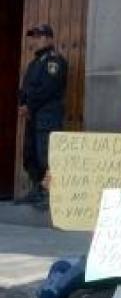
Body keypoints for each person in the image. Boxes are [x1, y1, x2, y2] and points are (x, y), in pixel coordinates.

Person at [17, 24, 67, 206]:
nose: (35, 41)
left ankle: (48, 195)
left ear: (49, 38)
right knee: (32, 154)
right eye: (34, 37)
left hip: (47, 117)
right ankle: (36, 190)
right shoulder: (34, 63)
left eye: (39, 36)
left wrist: (28, 105)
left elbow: (48, 88)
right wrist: (22, 103)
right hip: (33, 117)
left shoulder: (54, 61)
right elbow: (26, 88)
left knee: (47, 155)